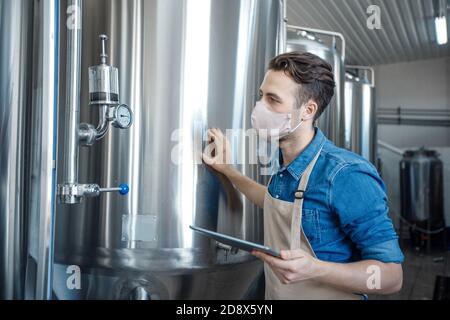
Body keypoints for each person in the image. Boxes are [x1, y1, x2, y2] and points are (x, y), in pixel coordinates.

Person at [202, 51, 403, 300]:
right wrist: (227, 169)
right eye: (261, 96)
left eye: (273, 100)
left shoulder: (346, 174)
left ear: (307, 110)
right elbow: (270, 200)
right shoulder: (286, 164)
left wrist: (314, 269)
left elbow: (392, 277)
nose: (260, 107)